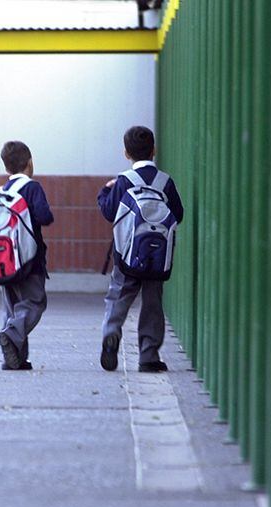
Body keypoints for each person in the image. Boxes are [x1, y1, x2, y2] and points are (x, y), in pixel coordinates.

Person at [97, 125, 183, 372]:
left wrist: (105, 191)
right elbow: (178, 214)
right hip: (157, 257)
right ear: (154, 150)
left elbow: (109, 211)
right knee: (153, 302)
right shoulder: (165, 182)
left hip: (127, 255)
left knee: (118, 296)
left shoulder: (124, 181)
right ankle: (148, 355)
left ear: (126, 153)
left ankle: (111, 333)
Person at [0, 141, 54, 370]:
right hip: (30, 260)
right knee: (34, 302)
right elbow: (44, 216)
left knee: (12, 307)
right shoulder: (32, 188)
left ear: (6, 168)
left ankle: (15, 358)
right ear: (30, 162)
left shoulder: (2, 191)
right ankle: (11, 335)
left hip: (5, 261)